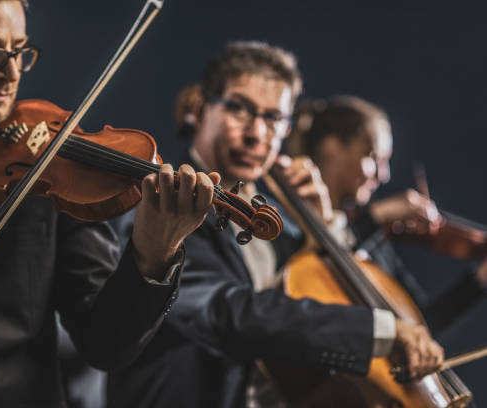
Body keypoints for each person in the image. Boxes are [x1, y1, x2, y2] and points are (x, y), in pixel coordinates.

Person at [0, 1, 220, 407]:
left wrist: (154, 253)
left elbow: (105, 346)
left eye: (19, 50)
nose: (11, 73)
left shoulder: (52, 171)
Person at [106, 41, 444, 408]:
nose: (257, 134)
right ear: (202, 109)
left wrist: (323, 226)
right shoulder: (164, 204)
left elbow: (317, 299)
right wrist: (381, 331)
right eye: (240, 109)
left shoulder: (281, 225)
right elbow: (226, 311)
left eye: (273, 118)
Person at [286, 95, 487, 333]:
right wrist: (377, 216)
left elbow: (416, 327)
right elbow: (321, 256)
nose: (384, 175)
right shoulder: (288, 220)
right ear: (332, 147)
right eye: (373, 158)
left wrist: (478, 282)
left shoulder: (372, 237)